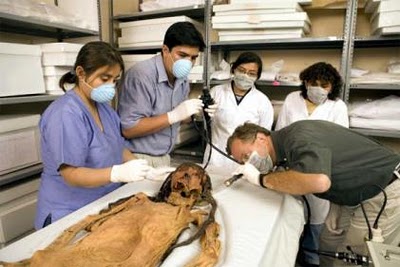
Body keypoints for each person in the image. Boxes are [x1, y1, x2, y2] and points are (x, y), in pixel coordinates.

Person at [226, 121, 400, 266]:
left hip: (385, 189)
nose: (248, 164)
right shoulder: (284, 153)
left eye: (247, 156)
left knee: (355, 257)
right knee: (329, 244)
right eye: (242, 162)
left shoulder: (298, 137)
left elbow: (319, 182)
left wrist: (261, 179)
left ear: (261, 138)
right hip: (352, 193)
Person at [35, 41, 152, 229]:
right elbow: (71, 175)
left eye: (115, 80)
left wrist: (144, 170)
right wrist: (117, 173)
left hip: (103, 205)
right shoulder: (65, 114)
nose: (111, 86)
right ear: (81, 73)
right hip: (69, 212)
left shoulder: (105, 109)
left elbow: (116, 147)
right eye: (104, 79)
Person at [274, 62, 349, 266]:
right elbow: (281, 132)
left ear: (332, 87)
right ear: (305, 82)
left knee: (317, 219)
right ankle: (288, 257)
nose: (318, 88)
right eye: (313, 83)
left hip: (320, 169)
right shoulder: (292, 99)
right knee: (289, 216)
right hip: (291, 166)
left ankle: (311, 260)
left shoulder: (337, 107)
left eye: (324, 85)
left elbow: (340, 141)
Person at [118, 22, 216, 167]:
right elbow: (129, 129)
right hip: (136, 158)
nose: (188, 63)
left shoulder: (181, 78)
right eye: (182, 55)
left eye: (193, 58)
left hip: (165, 156)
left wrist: (198, 111)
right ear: (165, 50)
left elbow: (180, 118)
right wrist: (173, 115)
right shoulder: (142, 75)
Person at [203, 52, 273, 172]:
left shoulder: (263, 101)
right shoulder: (216, 92)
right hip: (216, 156)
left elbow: (265, 137)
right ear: (233, 69)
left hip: (246, 160)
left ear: (257, 77)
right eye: (241, 70)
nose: (245, 76)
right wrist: (201, 111)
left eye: (251, 73)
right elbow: (205, 121)